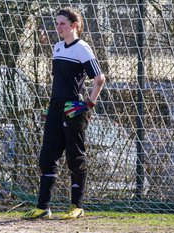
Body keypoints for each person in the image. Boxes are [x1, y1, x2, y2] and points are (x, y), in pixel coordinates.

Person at [23, 7, 105, 220]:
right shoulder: (58, 47)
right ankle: (43, 208)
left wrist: (87, 104)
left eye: (62, 23)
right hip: (56, 107)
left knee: (74, 156)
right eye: (56, 23)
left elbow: (99, 79)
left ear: (74, 25)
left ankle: (77, 206)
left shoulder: (83, 49)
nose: (58, 27)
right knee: (48, 155)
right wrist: (52, 106)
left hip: (73, 108)